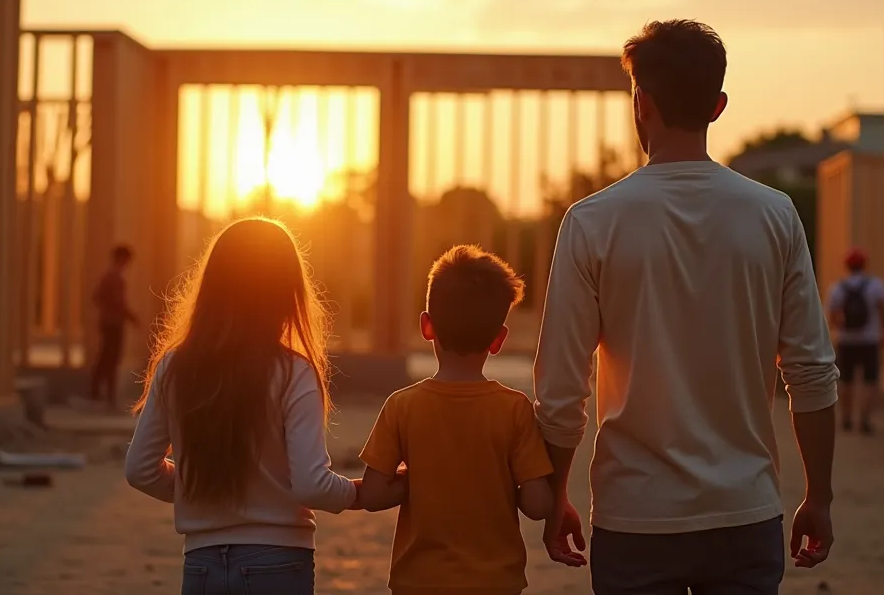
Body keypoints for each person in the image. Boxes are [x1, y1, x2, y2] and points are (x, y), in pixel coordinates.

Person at [533, 19, 841, 594]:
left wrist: (554, 497)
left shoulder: (592, 222)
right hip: (745, 512)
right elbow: (812, 373)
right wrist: (818, 496)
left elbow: (560, 390)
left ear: (641, 104)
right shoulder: (775, 215)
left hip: (635, 516)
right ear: (718, 106)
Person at [124, 218, 405, 594]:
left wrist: (203, 487)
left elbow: (140, 470)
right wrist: (357, 494)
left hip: (202, 563)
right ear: (288, 293)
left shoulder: (175, 367)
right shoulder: (293, 371)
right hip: (277, 560)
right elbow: (311, 484)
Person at [358, 245, 555, 595]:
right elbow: (539, 505)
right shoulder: (515, 409)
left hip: (418, 582)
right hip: (496, 584)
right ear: (498, 340)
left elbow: (372, 495)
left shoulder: (402, 406)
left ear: (426, 326)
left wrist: (421, 480)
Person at [826, 248, 884, 435]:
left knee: (846, 380)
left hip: (846, 341)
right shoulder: (876, 286)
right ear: (865, 264)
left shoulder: (837, 288)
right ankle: (864, 420)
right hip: (870, 340)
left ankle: (846, 419)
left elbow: (831, 316)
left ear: (846, 266)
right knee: (870, 381)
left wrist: (838, 329)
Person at [90, 244, 139, 409]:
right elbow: (115, 301)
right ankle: (105, 396)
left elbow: (97, 297)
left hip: (110, 322)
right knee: (110, 359)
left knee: (106, 358)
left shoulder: (110, 276)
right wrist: (130, 316)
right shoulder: (114, 277)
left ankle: (100, 393)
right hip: (113, 324)